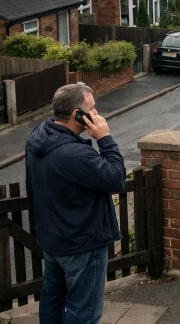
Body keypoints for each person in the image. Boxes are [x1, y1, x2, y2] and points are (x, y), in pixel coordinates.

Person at [26, 83, 126, 324]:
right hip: (82, 244)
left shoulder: (39, 134)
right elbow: (116, 177)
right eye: (92, 109)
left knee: (52, 300)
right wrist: (105, 139)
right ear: (76, 115)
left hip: (54, 240)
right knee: (84, 312)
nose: (97, 113)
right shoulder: (75, 154)